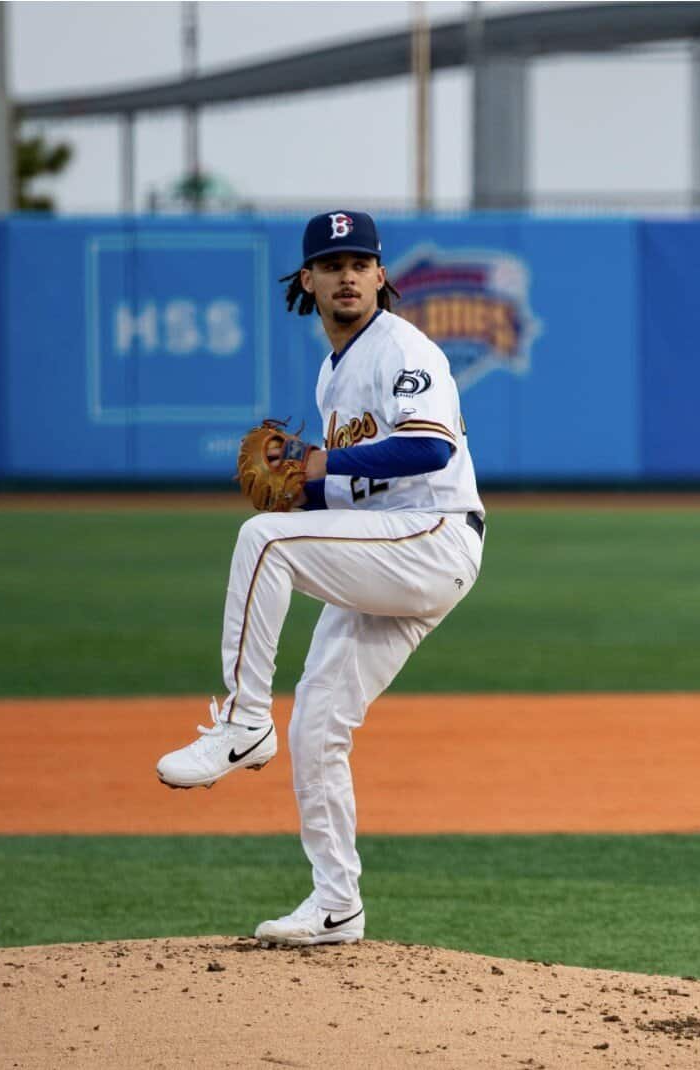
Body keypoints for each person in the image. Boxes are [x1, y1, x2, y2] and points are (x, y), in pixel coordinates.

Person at [156, 210, 485, 947]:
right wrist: (309, 487)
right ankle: (337, 902)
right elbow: (349, 492)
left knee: (264, 543)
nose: (347, 275)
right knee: (317, 725)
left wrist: (323, 466)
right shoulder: (334, 371)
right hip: (388, 545)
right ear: (307, 281)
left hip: (431, 536)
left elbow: (428, 452)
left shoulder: (404, 349)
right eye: (332, 264)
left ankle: (243, 724)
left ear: (380, 277)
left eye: (360, 263)